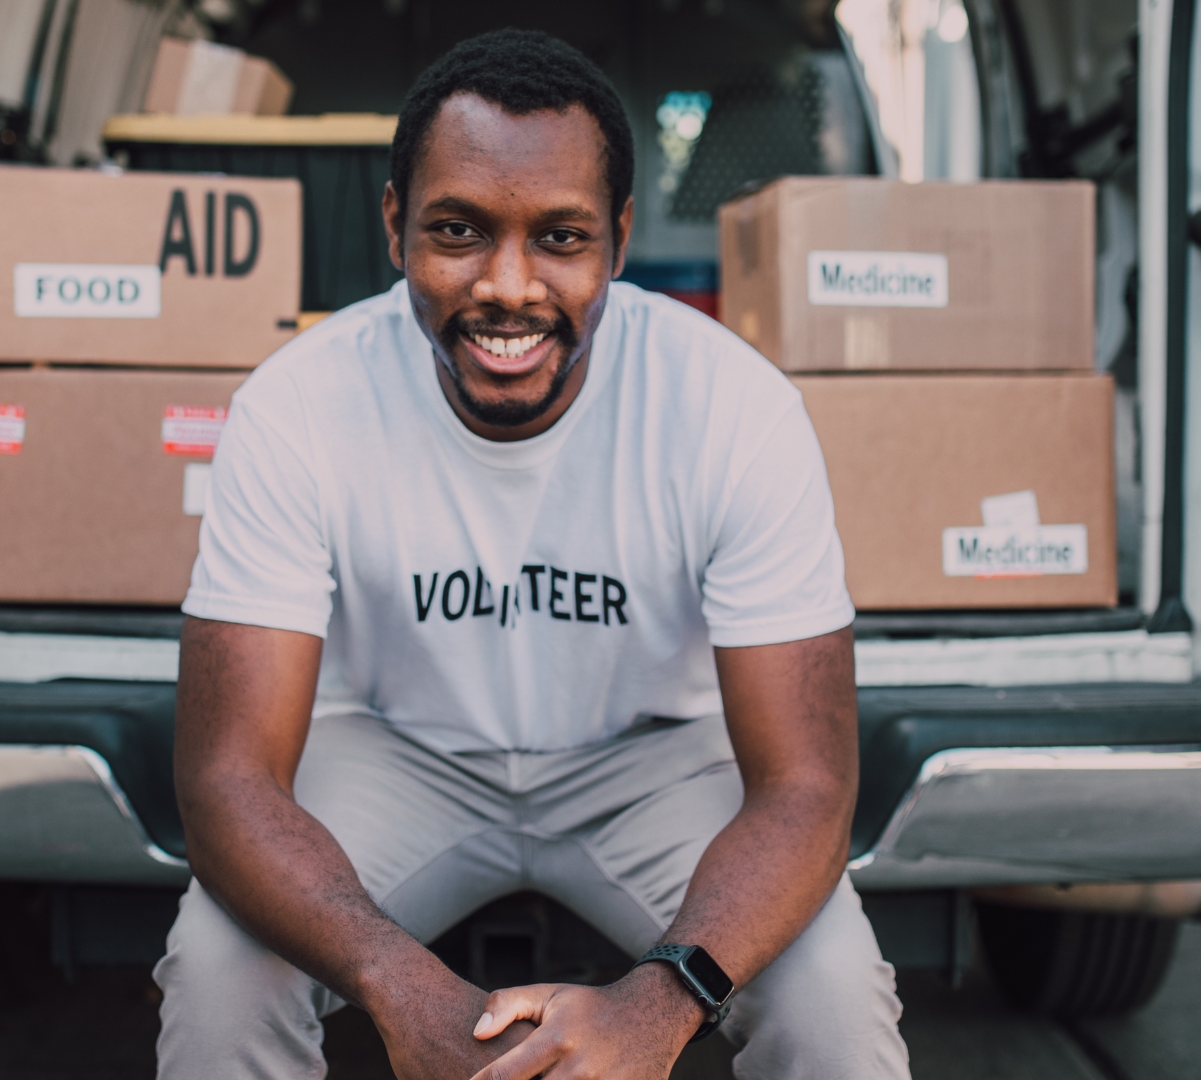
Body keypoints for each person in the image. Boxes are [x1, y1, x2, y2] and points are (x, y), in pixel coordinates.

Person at [155, 27, 910, 1080]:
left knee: (832, 998)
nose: (508, 287)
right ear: (393, 226)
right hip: (393, 751)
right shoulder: (296, 405)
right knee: (219, 970)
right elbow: (227, 776)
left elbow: (808, 787)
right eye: (457, 231)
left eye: (560, 238)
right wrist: (395, 979)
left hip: (651, 761)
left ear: (619, 236)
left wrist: (664, 1001)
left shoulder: (732, 408)